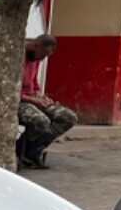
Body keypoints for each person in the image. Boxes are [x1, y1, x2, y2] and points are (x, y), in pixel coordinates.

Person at [16, 35, 76, 170]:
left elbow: (34, 85)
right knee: (41, 121)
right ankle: (20, 148)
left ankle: (32, 150)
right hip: (19, 101)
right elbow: (12, 92)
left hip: (31, 99)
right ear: (36, 46)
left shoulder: (35, 60)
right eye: (42, 55)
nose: (41, 59)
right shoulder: (18, 56)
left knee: (68, 117)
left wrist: (41, 97)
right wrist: (33, 101)